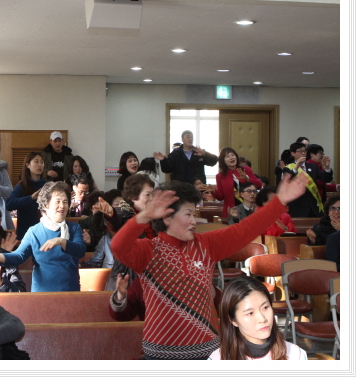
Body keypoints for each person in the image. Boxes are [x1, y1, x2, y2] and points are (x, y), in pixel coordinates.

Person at [110, 174, 307, 360]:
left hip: (208, 351)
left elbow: (245, 230)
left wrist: (279, 202)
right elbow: (118, 246)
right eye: (188, 214)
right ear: (167, 218)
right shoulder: (148, 251)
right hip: (160, 353)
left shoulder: (205, 244)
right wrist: (144, 216)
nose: (194, 221)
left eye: (194, 214)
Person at [0, 182, 86, 292]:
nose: (62, 206)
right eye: (57, 201)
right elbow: (19, 256)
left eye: (65, 202)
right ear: (46, 205)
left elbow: (80, 251)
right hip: (42, 292)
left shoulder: (74, 228)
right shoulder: (34, 231)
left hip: (70, 291)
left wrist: (61, 241)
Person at [209, 276, 307, 360]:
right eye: (250, 313)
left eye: (265, 307)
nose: (262, 319)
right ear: (233, 320)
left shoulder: (295, 355)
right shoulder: (217, 360)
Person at [281, 142, 333, 217]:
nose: (303, 153)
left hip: (313, 207)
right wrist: (296, 167)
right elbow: (287, 182)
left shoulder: (312, 166)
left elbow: (326, 178)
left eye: (304, 151)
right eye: (300, 151)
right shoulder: (288, 168)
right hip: (297, 207)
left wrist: (327, 168)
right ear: (293, 153)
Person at [5, 152, 48, 241]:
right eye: (36, 161)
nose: (40, 165)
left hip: (44, 231)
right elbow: (9, 204)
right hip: (26, 233)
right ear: (28, 165)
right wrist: (30, 198)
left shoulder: (48, 185)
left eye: (42, 162)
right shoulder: (22, 185)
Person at [210, 147, 262, 219]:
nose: (231, 157)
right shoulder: (220, 176)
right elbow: (221, 197)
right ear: (223, 160)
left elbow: (259, 185)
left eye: (233, 155)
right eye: (227, 156)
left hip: (249, 207)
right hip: (232, 210)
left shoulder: (246, 170)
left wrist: (247, 178)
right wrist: (213, 191)